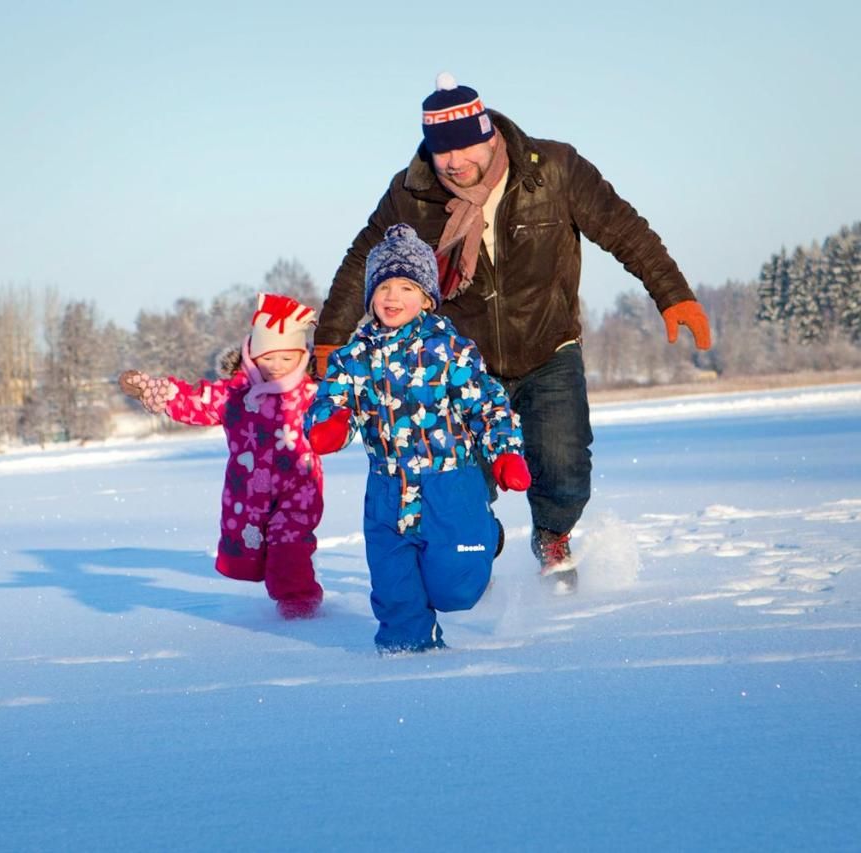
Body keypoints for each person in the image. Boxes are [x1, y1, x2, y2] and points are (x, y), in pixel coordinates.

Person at [314, 72, 712, 593]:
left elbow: (622, 227)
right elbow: (364, 258)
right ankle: (477, 538)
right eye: (442, 153)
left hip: (548, 346)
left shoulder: (554, 170)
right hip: (461, 363)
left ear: (489, 133)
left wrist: (672, 292)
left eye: (464, 148)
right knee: (463, 483)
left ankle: (552, 534)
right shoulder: (411, 194)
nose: (454, 163)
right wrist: (332, 334)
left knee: (565, 468)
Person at [305, 223, 531, 653]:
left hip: (449, 487)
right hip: (387, 491)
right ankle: (407, 654)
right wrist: (330, 423)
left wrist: (504, 454)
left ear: (427, 297)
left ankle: (483, 531)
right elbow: (332, 401)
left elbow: (488, 406)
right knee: (395, 587)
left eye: (407, 286)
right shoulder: (353, 359)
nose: (393, 297)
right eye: (384, 286)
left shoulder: (451, 350)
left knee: (455, 589)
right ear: (370, 294)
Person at [119, 293, 326, 619]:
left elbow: (343, 414)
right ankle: (284, 590)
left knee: (290, 542)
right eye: (267, 358)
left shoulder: (313, 393)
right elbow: (196, 401)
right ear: (251, 355)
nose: (276, 367)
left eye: (286, 359)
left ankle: (299, 605)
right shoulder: (236, 394)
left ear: (301, 356)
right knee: (250, 549)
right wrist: (155, 391)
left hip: (298, 488)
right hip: (248, 491)